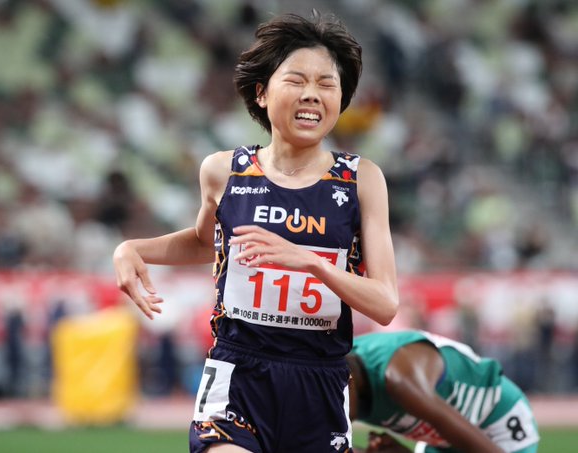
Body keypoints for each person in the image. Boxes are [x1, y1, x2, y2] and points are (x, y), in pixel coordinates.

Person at [113, 11, 399, 453]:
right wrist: (133, 249)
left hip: (319, 383)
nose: (312, 94)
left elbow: (385, 303)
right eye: (296, 80)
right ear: (262, 93)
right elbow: (206, 243)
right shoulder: (223, 171)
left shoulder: (362, 180)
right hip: (238, 373)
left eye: (327, 84)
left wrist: (311, 262)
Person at [346, 330, 540, 453]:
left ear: (349, 381)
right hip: (442, 440)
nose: (332, 416)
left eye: (333, 404)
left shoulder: (400, 378)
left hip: (496, 422)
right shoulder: (337, 374)